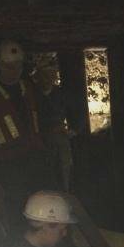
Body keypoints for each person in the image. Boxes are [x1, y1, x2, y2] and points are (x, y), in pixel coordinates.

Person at [0, 40, 56, 231]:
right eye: (9, 66)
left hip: (36, 160)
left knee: (45, 208)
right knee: (17, 212)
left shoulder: (30, 89)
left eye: (18, 65)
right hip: (8, 166)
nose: (14, 70)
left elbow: (46, 118)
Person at [33, 62, 74, 192]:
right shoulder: (32, 95)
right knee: (45, 167)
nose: (48, 79)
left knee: (64, 166)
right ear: (38, 77)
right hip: (41, 137)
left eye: (51, 75)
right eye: (45, 75)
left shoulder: (60, 94)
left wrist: (73, 130)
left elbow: (73, 111)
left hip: (60, 135)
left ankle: (65, 191)